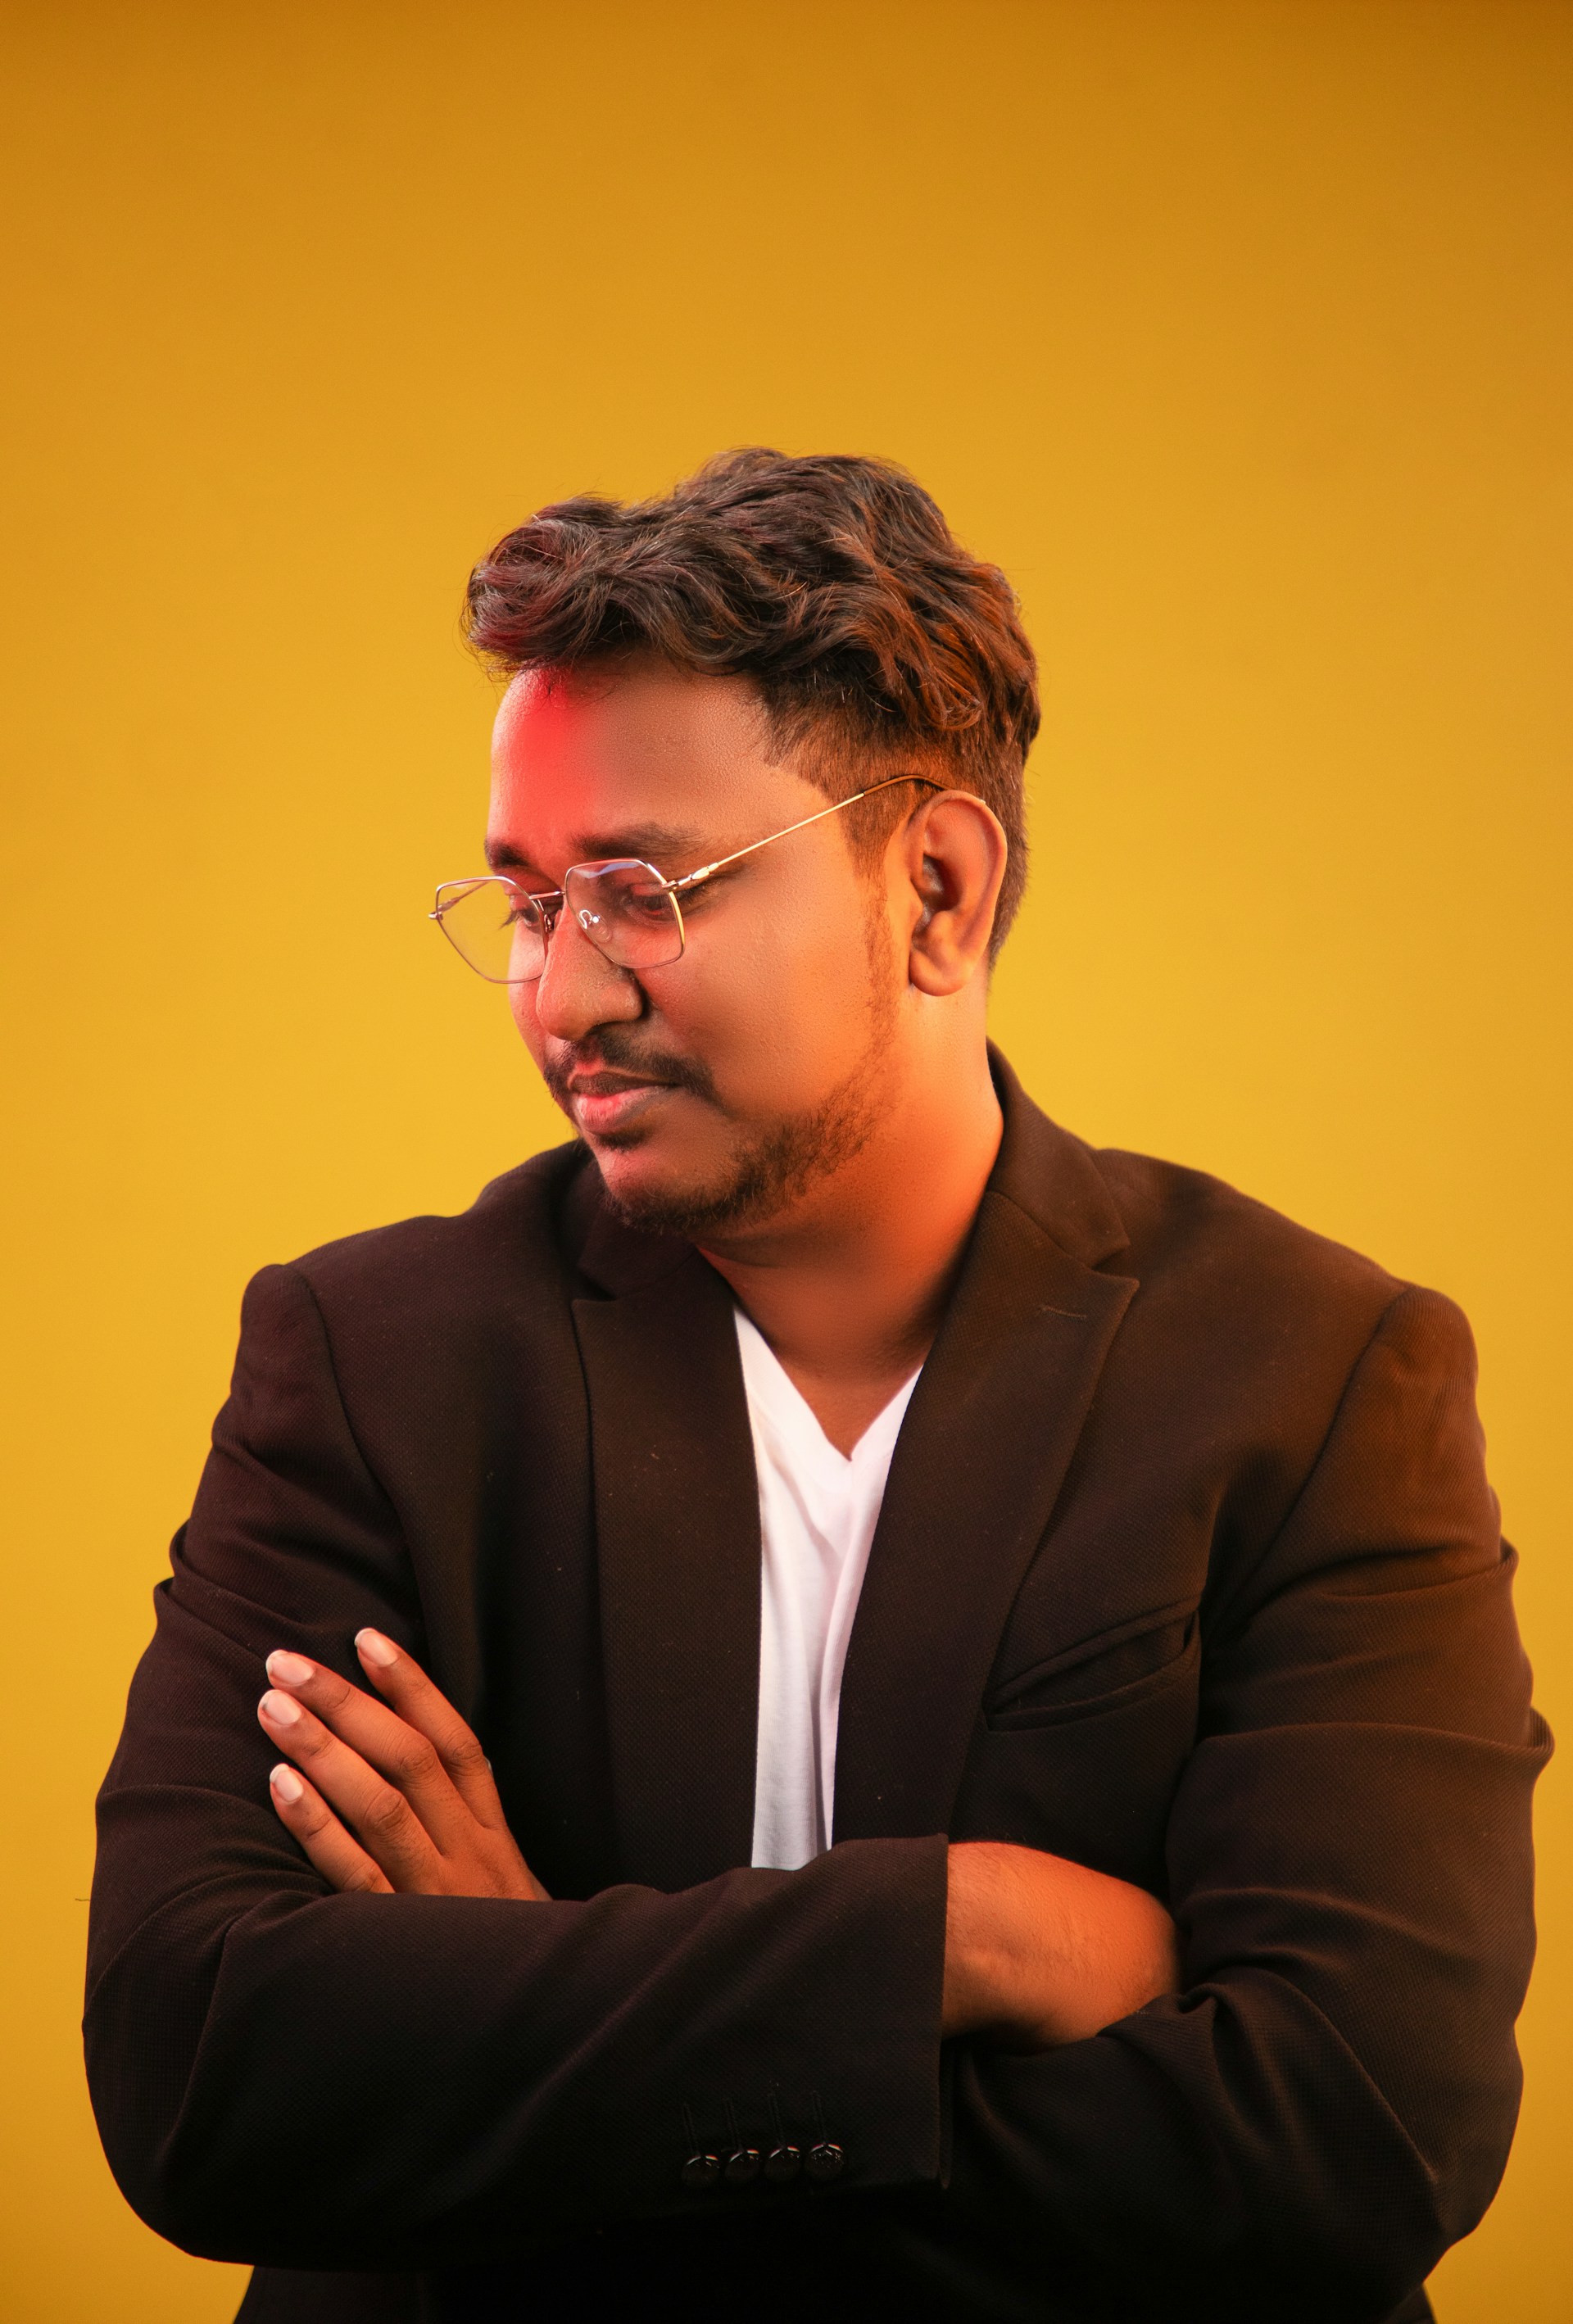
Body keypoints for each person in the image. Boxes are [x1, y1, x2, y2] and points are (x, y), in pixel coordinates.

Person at [86, 449, 1548, 2324]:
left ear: (935, 888)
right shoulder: (377, 1362)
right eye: (528, 903)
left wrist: (533, 2016)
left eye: (642, 891)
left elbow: (1353, 2141)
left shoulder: (1319, 1376)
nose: (564, 997)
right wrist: (960, 1935)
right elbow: (199, 2067)